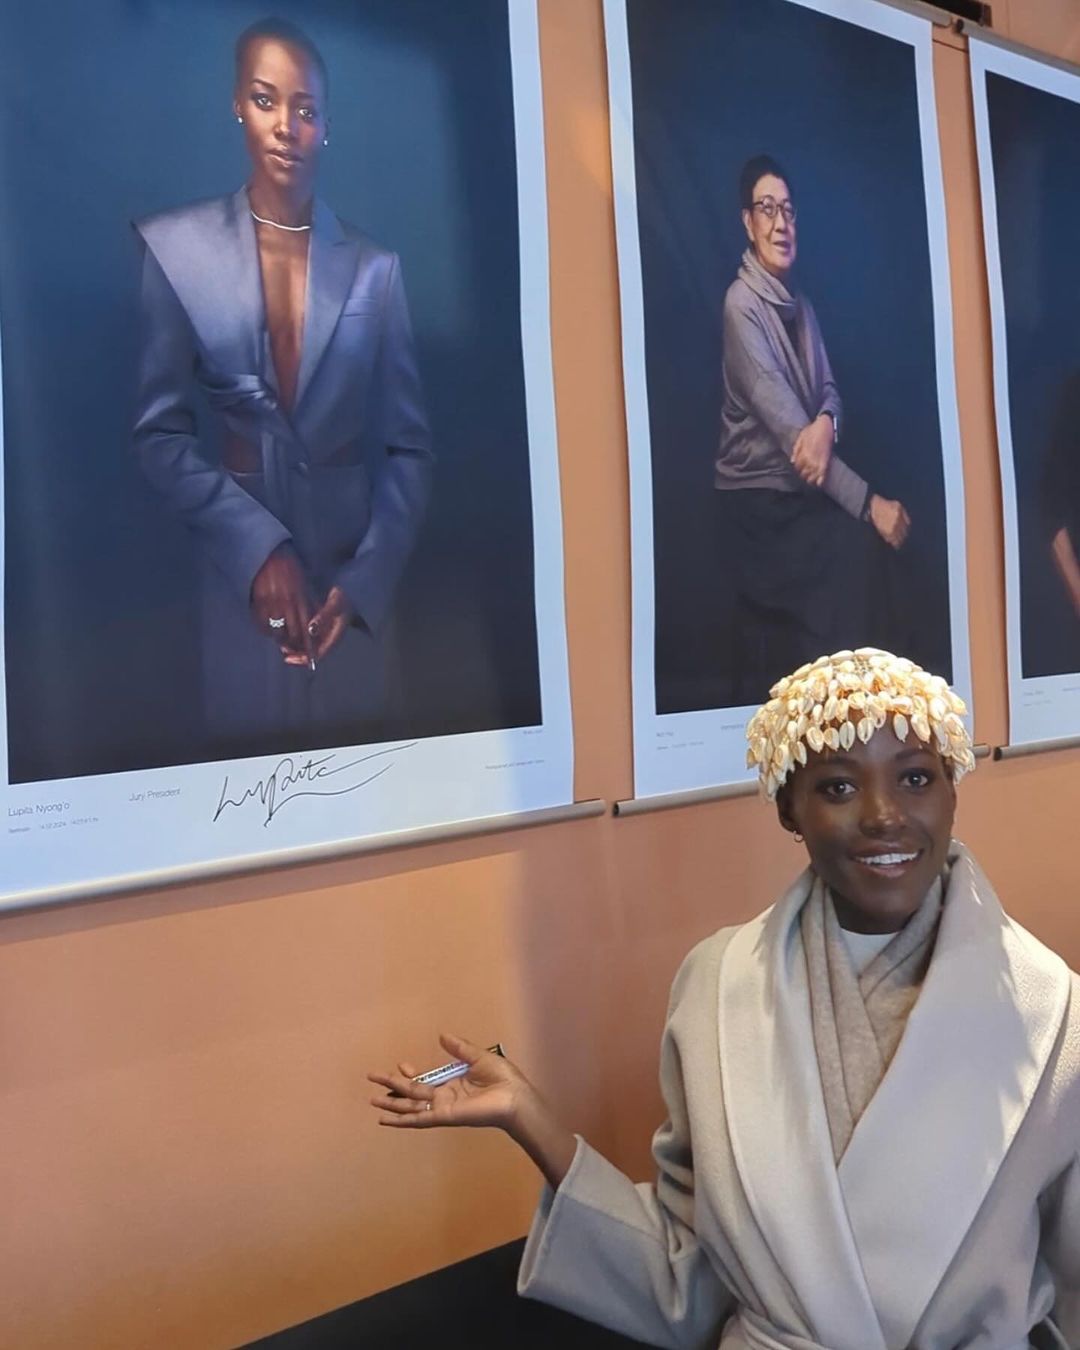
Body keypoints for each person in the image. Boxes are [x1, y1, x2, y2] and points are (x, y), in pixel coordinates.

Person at [370, 648, 1080, 1349]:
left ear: (954, 791)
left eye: (917, 777)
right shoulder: (716, 989)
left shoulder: (1054, 1016)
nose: (884, 815)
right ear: (788, 811)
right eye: (837, 786)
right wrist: (533, 1120)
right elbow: (687, 1284)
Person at [133, 18, 432, 758]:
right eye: (268, 101)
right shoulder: (178, 248)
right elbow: (158, 435)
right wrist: (259, 549)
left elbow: (410, 449)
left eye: (305, 110)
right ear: (238, 102)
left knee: (364, 797)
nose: (286, 127)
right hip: (237, 579)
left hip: (349, 583)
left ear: (325, 126)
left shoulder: (374, 268)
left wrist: (364, 586)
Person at [715, 156, 912, 697]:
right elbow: (797, 446)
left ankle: (881, 717)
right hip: (757, 509)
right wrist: (870, 502)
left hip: (800, 493)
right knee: (859, 552)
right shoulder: (741, 307)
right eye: (767, 209)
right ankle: (837, 725)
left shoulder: (801, 306)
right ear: (748, 224)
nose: (781, 223)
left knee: (879, 557)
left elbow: (829, 397)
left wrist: (825, 421)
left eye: (789, 210)